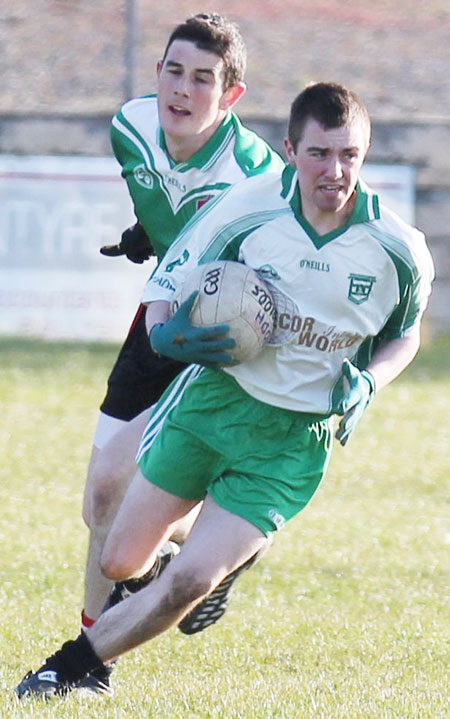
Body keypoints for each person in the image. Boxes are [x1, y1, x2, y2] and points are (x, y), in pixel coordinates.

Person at [16, 81, 434, 700]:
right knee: (120, 563)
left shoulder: (399, 250)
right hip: (209, 404)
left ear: (365, 153)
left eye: (350, 154)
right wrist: (168, 336)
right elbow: (169, 279)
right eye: (320, 153)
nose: (336, 170)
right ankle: (187, 556)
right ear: (291, 149)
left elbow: (408, 335)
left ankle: (68, 669)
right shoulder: (248, 208)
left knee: (190, 582)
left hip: (292, 442)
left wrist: (370, 380)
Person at [78, 9, 285, 687]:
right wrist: (150, 230)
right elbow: (171, 201)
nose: (182, 90)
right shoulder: (130, 126)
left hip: (212, 342)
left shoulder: (256, 177)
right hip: (158, 316)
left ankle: (89, 661)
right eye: (173, 70)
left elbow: (272, 267)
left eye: (203, 79)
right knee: (99, 508)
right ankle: (203, 552)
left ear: (231, 98)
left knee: (117, 483)